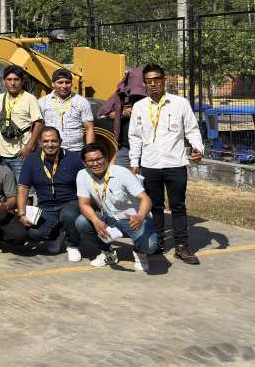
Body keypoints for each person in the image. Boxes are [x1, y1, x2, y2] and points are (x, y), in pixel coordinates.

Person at [129, 63, 203, 264]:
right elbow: (134, 137)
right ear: (144, 84)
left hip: (175, 164)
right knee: (155, 206)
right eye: (149, 81)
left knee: (178, 206)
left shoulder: (180, 103)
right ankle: (158, 242)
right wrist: (134, 163)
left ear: (164, 80)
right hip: (150, 165)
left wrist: (198, 148)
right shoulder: (139, 107)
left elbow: (192, 130)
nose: (153, 85)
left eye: (157, 80)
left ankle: (181, 246)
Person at [76, 143, 158, 272]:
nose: (96, 163)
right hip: (109, 219)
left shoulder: (122, 173)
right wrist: (96, 221)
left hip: (134, 220)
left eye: (99, 159)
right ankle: (108, 253)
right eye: (90, 161)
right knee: (81, 222)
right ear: (84, 163)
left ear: (106, 158)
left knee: (150, 246)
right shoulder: (82, 175)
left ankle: (140, 252)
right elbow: (83, 204)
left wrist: (141, 216)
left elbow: (146, 199)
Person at [17, 127, 84, 261]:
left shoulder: (74, 158)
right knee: (34, 234)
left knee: (68, 215)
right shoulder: (31, 160)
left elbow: (87, 182)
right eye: (46, 141)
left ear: (60, 141)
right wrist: (21, 213)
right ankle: (57, 235)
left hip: (70, 203)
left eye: (54, 141)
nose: (50, 144)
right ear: (40, 143)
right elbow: (23, 188)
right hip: (46, 206)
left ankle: (73, 245)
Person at [0, 65, 43, 180]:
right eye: (9, 79)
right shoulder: (0, 98)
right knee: (7, 189)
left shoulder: (30, 99)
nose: (13, 83)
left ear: (22, 81)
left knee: (23, 188)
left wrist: (29, 147)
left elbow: (38, 123)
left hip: (21, 155)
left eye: (16, 80)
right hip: (2, 154)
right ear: (4, 81)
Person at [97, 68, 147, 169]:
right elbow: (103, 115)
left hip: (148, 149)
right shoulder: (121, 96)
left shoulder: (154, 98)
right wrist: (122, 113)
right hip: (125, 148)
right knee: (121, 177)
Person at [39, 68, 94, 152]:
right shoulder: (43, 101)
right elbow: (38, 127)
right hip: (51, 150)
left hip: (75, 150)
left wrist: (90, 151)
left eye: (67, 82)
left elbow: (89, 128)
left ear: (71, 84)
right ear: (53, 84)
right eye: (60, 82)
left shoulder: (81, 101)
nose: (64, 86)